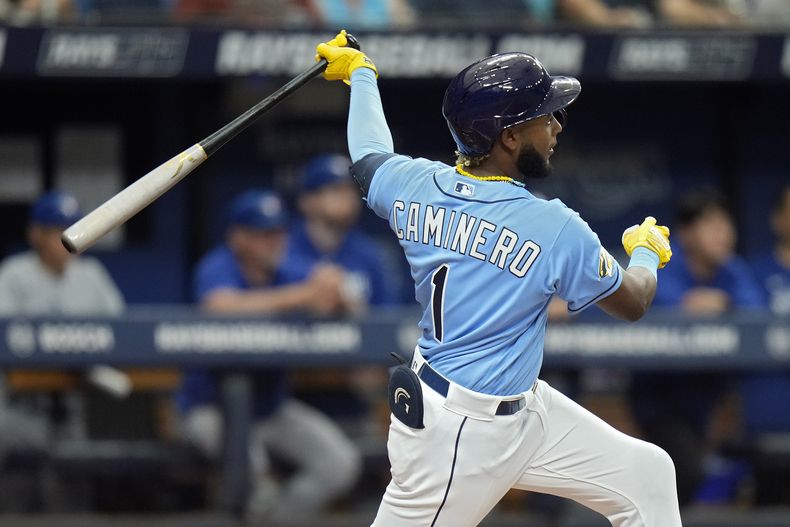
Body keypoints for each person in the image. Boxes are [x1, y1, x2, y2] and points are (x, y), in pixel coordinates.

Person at [316, 31, 680, 526]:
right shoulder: (555, 228)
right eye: (543, 117)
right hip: (460, 436)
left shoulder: (416, 184)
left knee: (647, 475)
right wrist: (644, 254)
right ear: (508, 137)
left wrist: (362, 77)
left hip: (523, 409)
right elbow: (633, 302)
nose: (555, 126)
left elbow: (368, 155)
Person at [176, 189, 361, 521]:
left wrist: (334, 291)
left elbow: (336, 290)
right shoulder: (217, 266)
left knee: (340, 462)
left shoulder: (286, 269)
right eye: (263, 234)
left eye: (278, 232)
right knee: (253, 470)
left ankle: (279, 520)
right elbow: (219, 305)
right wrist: (303, 295)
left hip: (270, 408)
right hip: (210, 408)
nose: (274, 241)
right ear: (238, 237)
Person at [633, 188, 764, 504]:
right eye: (712, 225)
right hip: (659, 398)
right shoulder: (663, 260)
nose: (725, 234)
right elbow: (663, 301)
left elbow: (757, 310)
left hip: (712, 398)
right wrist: (701, 305)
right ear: (687, 234)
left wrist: (724, 301)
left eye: (726, 225)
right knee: (684, 470)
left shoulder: (731, 269)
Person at [0, 190, 125, 462]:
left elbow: (122, 332)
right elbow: (7, 340)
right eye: (59, 231)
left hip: (77, 402)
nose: (73, 238)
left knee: (76, 473)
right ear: (36, 234)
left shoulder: (91, 275)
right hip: (20, 404)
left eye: (78, 229)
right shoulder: (13, 274)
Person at [289, 153, 396, 310]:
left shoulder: (369, 254)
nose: (347, 197)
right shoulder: (283, 248)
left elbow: (388, 319)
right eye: (335, 189)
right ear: (307, 200)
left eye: (351, 190)